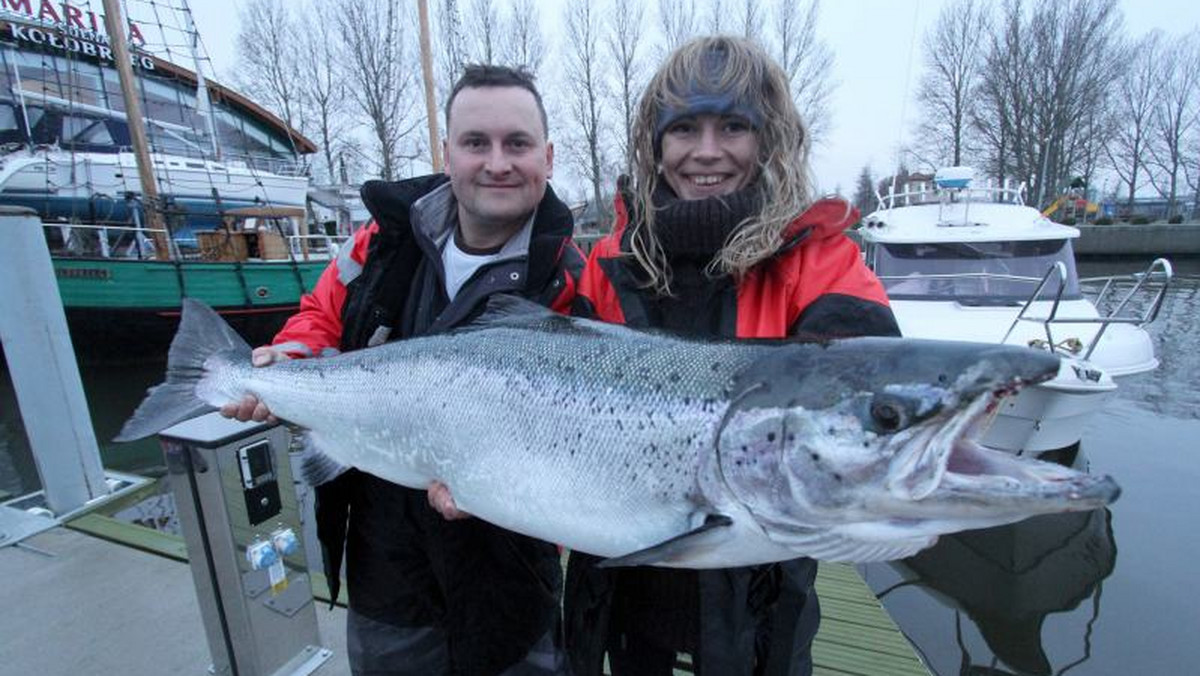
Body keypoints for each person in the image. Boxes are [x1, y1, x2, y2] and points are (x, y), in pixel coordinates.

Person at [221, 65, 582, 676]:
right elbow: (320, 315)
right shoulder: (380, 243)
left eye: (517, 143)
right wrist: (293, 357)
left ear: (547, 156)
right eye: (476, 143)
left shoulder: (574, 277)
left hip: (510, 564)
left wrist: (505, 489)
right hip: (385, 559)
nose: (497, 162)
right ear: (447, 153)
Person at [563, 37, 901, 676]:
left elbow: (867, 388)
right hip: (621, 600)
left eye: (734, 127)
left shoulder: (821, 263)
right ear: (655, 146)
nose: (707, 151)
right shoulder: (607, 268)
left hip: (760, 613)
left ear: (767, 139)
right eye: (684, 128)